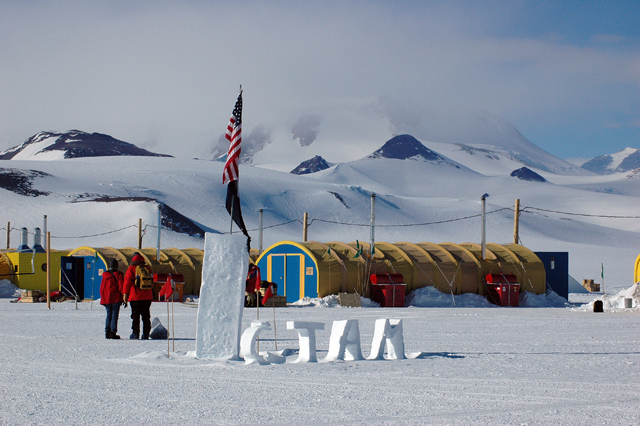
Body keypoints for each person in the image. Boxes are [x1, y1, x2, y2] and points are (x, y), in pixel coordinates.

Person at [122, 253, 153, 340]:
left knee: (135, 316)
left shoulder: (132, 268)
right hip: (147, 297)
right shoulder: (147, 268)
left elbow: (127, 282)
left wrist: (125, 295)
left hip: (135, 296)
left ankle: (135, 334)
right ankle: (146, 334)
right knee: (146, 316)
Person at [99, 259, 124, 339]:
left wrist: (103, 298)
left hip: (107, 299)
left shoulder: (105, 275)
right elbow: (121, 287)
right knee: (114, 315)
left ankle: (107, 332)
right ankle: (113, 332)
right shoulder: (119, 274)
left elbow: (102, 288)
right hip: (116, 298)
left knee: (109, 315)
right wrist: (124, 297)